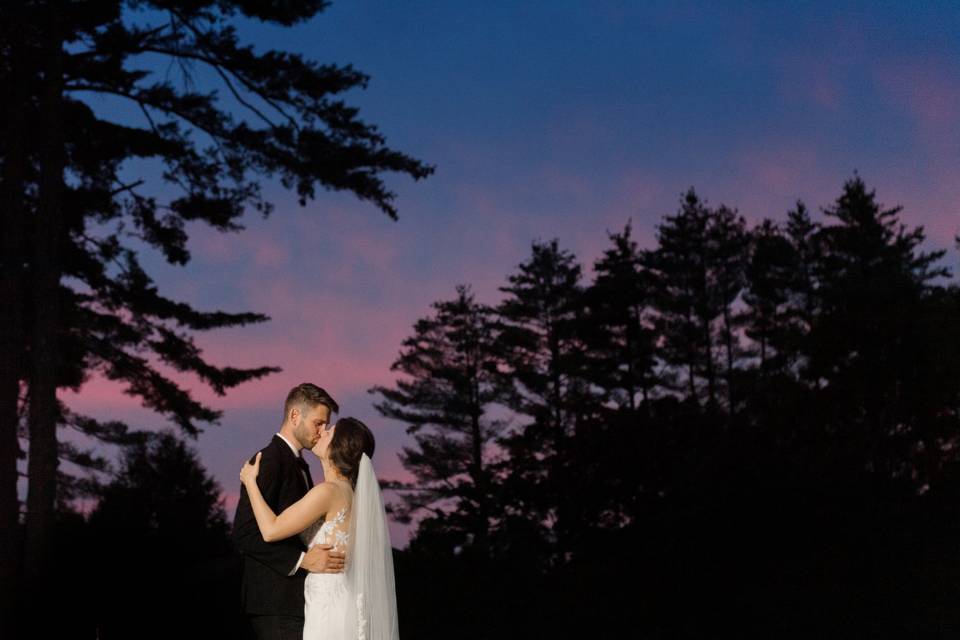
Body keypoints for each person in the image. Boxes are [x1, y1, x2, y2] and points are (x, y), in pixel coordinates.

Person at [241, 414, 399, 640]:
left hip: (329, 604)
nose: (322, 432)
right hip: (340, 597)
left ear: (338, 448)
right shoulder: (350, 494)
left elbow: (270, 530)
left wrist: (250, 483)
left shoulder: (329, 492)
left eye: (330, 432)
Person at [233, 383, 347, 640]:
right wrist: (303, 560)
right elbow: (243, 533)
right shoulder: (269, 460)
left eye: (325, 425)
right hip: (274, 600)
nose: (322, 431)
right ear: (295, 416)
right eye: (318, 423)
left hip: (294, 600)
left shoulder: (301, 465)